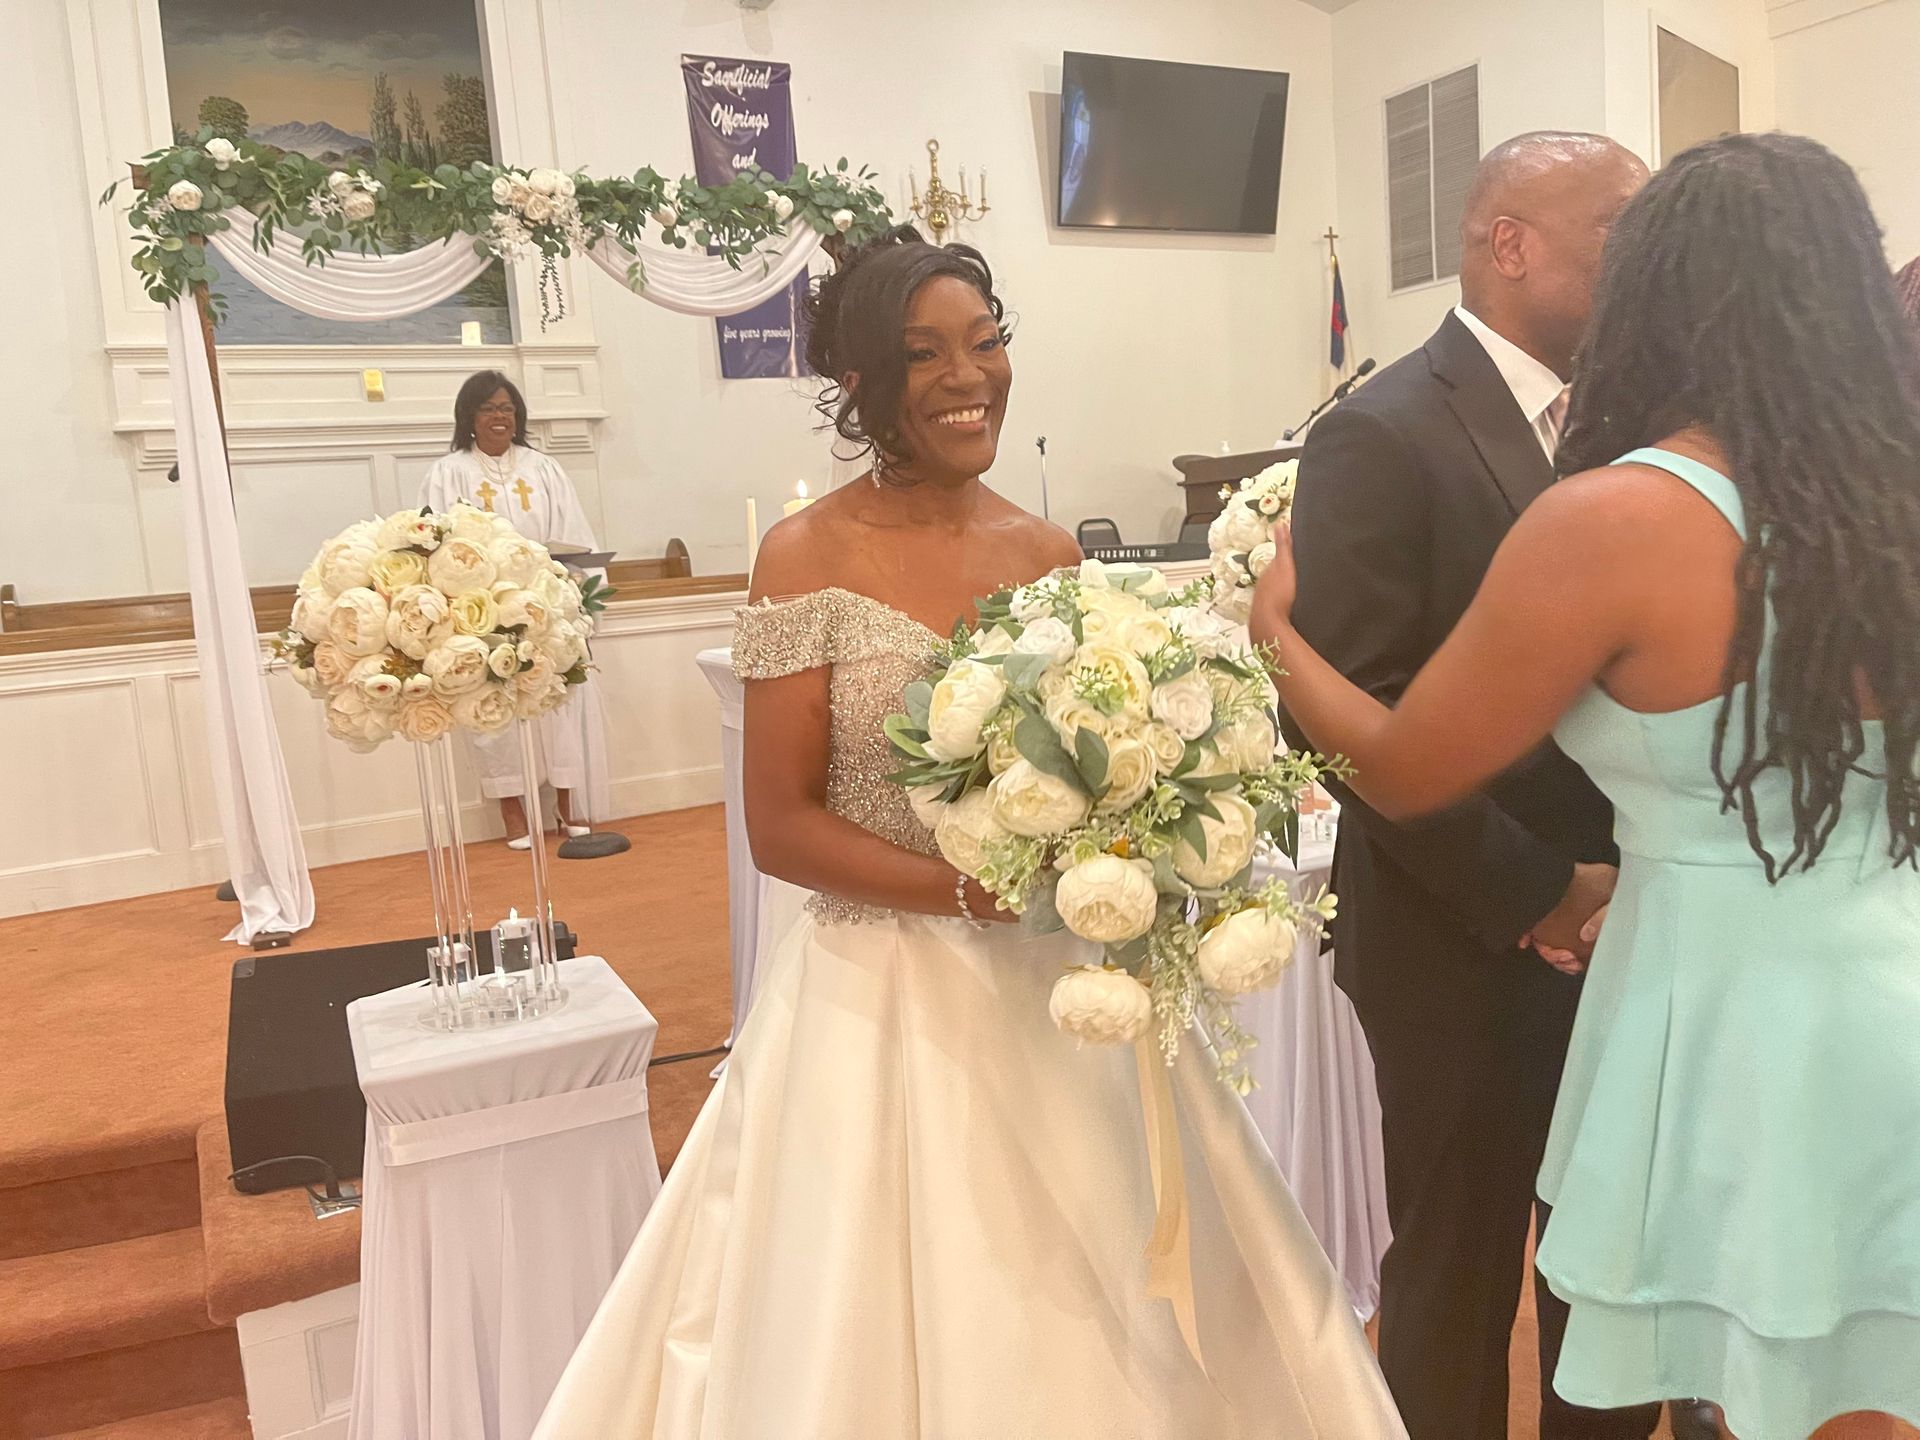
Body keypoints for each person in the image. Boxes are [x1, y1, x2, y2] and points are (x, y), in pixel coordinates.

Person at [533, 228, 1406, 1438]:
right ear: (858, 383)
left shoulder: (1047, 553)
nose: (969, 377)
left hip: (1057, 978)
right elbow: (780, 826)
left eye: (986, 344)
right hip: (878, 992)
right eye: (926, 354)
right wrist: (966, 894)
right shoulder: (806, 554)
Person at [1251, 131, 1920, 1440]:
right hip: (1877, 972)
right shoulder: (1880, 499)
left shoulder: (1623, 513)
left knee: (1760, 1379)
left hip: (1737, 1010)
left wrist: (1276, 635)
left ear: (1674, 285)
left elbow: (1398, 756)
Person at [1279, 131, 1657, 1440]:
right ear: (1512, 244)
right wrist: (1541, 892)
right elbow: (1353, 719)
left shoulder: (1633, 424)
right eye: (1624, 226)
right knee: (1453, 1279)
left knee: (1608, 1284)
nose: (1648, 256)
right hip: (1459, 947)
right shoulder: (1379, 433)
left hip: (1632, 935)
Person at [420, 372, 610, 848]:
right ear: (469, 417)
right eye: (488, 409)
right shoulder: (449, 472)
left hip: (544, 604)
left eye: (507, 408)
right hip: (481, 611)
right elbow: (434, 543)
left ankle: (568, 809)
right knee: (493, 714)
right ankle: (514, 813)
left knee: (559, 708)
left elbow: (574, 533)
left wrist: (580, 596)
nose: (499, 417)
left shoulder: (544, 469)